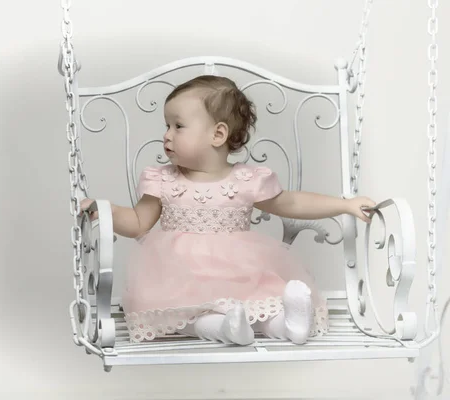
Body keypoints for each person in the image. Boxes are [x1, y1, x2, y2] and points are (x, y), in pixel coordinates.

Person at [81, 75, 375, 345]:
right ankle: (225, 329)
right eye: (166, 126)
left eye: (178, 126)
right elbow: (137, 222)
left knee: (262, 301)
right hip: (179, 278)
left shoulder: (246, 180)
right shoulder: (163, 179)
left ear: (218, 134)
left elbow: (292, 203)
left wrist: (345, 205)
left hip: (239, 275)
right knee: (180, 315)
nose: (167, 135)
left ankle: (288, 325)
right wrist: (103, 210)